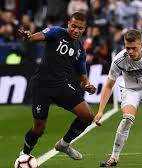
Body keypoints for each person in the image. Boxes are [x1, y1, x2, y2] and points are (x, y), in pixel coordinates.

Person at [18, 12, 96, 160]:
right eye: (73, 26)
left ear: (84, 29)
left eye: (80, 28)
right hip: (42, 84)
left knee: (87, 116)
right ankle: (24, 155)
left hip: (61, 85)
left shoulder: (80, 49)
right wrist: (28, 36)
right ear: (68, 24)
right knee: (39, 128)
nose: (76, 30)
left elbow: (83, 77)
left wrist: (87, 85)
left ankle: (64, 144)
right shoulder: (56, 32)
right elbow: (35, 37)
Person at [94, 29, 142, 167]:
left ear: (141, 45)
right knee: (127, 120)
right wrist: (100, 111)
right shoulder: (119, 60)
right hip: (130, 90)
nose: (130, 51)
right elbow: (108, 86)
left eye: (134, 48)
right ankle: (114, 157)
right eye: (127, 48)